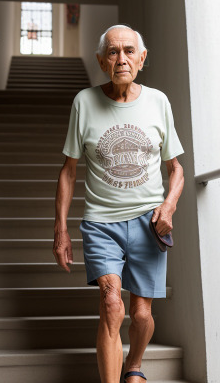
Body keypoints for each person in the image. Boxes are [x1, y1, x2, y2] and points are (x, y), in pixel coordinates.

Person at [53, 24, 184, 383]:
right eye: (113, 52)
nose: (121, 59)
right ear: (101, 61)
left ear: (142, 59)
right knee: (112, 303)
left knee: (141, 316)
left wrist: (168, 205)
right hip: (100, 223)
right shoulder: (84, 102)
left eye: (129, 51)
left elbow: (177, 170)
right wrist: (61, 229)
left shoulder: (158, 101)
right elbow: (68, 171)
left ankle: (134, 366)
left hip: (148, 222)